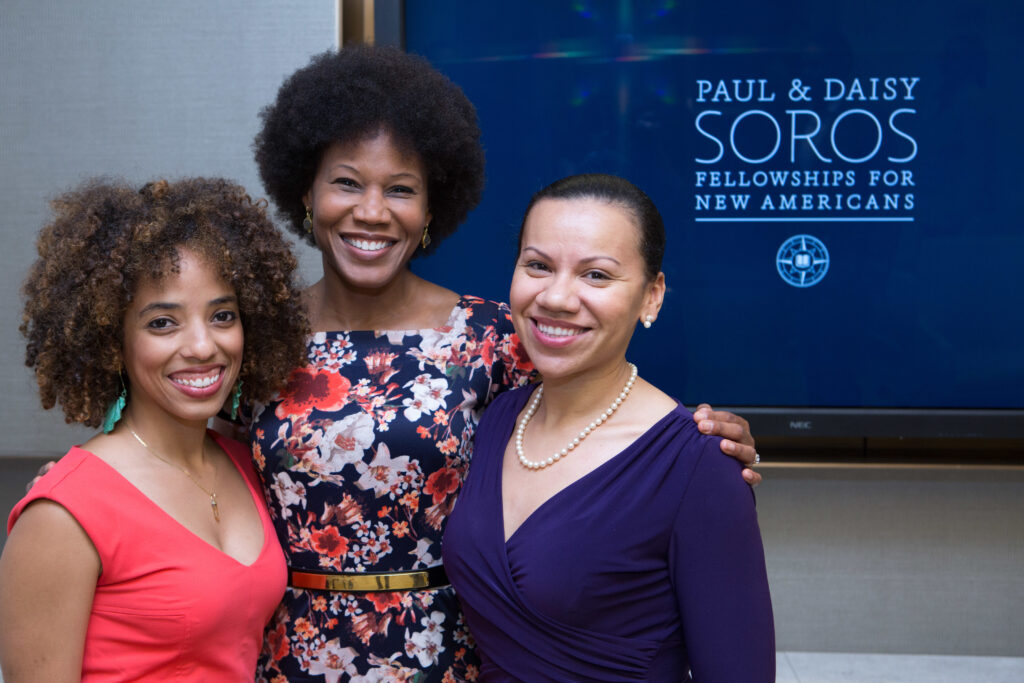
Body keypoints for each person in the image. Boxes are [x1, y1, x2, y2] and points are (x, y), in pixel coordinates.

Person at [248, 45, 762, 682]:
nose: (373, 210)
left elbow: (594, 411)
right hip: (288, 651)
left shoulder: (494, 336)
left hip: (450, 654)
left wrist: (703, 441)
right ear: (304, 189)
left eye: (401, 189)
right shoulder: (252, 339)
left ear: (433, 209)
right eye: (347, 181)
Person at [442, 173, 775, 682]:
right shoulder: (497, 420)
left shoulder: (698, 462)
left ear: (651, 296)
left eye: (596, 275)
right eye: (538, 266)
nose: (556, 297)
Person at [0, 177, 308, 681]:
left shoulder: (239, 462)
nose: (204, 346)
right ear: (111, 342)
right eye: (163, 323)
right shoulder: (63, 514)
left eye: (223, 315)